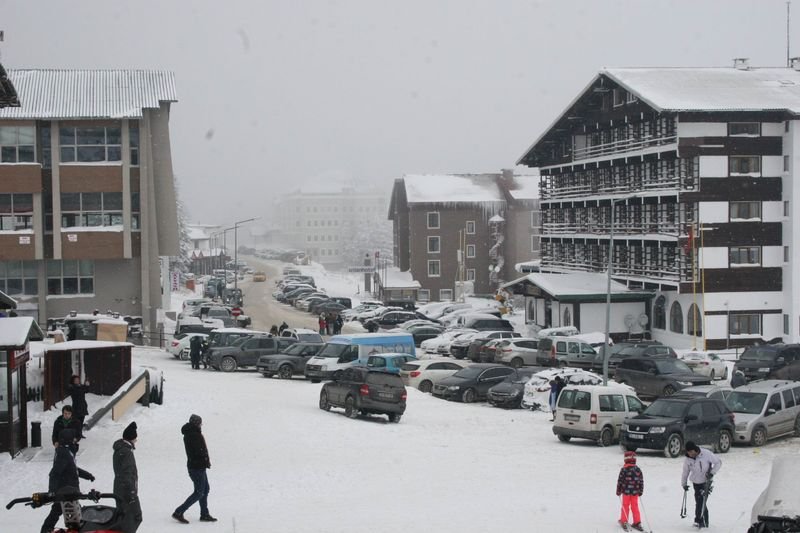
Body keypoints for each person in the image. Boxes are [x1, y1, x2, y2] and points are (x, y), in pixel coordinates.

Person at [41, 429, 95, 533]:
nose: (75, 440)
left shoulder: (66, 451)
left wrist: (87, 475)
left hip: (68, 490)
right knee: (66, 513)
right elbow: (54, 473)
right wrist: (52, 491)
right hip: (65, 491)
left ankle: (47, 529)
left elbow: (72, 468)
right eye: (73, 438)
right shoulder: (63, 453)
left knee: (72, 513)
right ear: (68, 440)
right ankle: (46, 530)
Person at [173, 414, 217, 523]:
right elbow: (199, 451)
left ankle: (204, 514)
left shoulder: (191, 433)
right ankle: (179, 511)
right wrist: (204, 458)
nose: (201, 425)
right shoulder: (193, 435)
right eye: (200, 423)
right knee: (199, 492)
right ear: (196, 423)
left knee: (205, 489)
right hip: (197, 467)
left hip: (198, 466)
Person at [681, 440, 722, 528]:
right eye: (688, 452)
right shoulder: (687, 459)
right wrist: (684, 484)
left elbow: (718, 462)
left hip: (706, 482)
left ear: (695, 449)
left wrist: (712, 473)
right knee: (699, 502)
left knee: (701, 502)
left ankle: (700, 522)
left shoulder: (706, 454)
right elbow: (685, 472)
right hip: (696, 483)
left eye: (691, 452)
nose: (690, 454)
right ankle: (701, 521)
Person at [113, 422, 142, 533]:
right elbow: (128, 473)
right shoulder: (127, 452)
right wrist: (131, 492)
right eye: (135, 438)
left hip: (119, 488)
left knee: (123, 517)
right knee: (135, 517)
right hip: (126, 490)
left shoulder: (119, 449)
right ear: (131, 438)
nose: (136, 440)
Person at [616, 450, 644, 531]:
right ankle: (637, 522)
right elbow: (641, 481)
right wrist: (640, 490)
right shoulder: (638, 469)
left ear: (625, 460)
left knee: (625, 505)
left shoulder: (624, 469)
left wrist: (618, 490)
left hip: (626, 492)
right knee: (635, 506)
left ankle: (624, 521)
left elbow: (620, 481)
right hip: (635, 492)